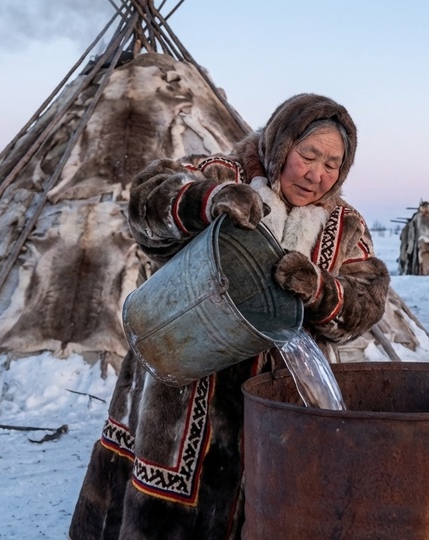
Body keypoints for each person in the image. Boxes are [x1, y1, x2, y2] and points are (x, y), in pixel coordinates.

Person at [69, 93, 390, 539]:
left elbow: (367, 299)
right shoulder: (221, 175)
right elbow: (145, 202)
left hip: (280, 409)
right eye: (307, 155)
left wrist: (319, 289)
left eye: (332, 165)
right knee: (166, 519)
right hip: (180, 394)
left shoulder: (344, 225)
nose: (317, 174)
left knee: (265, 513)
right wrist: (208, 199)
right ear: (281, 144)